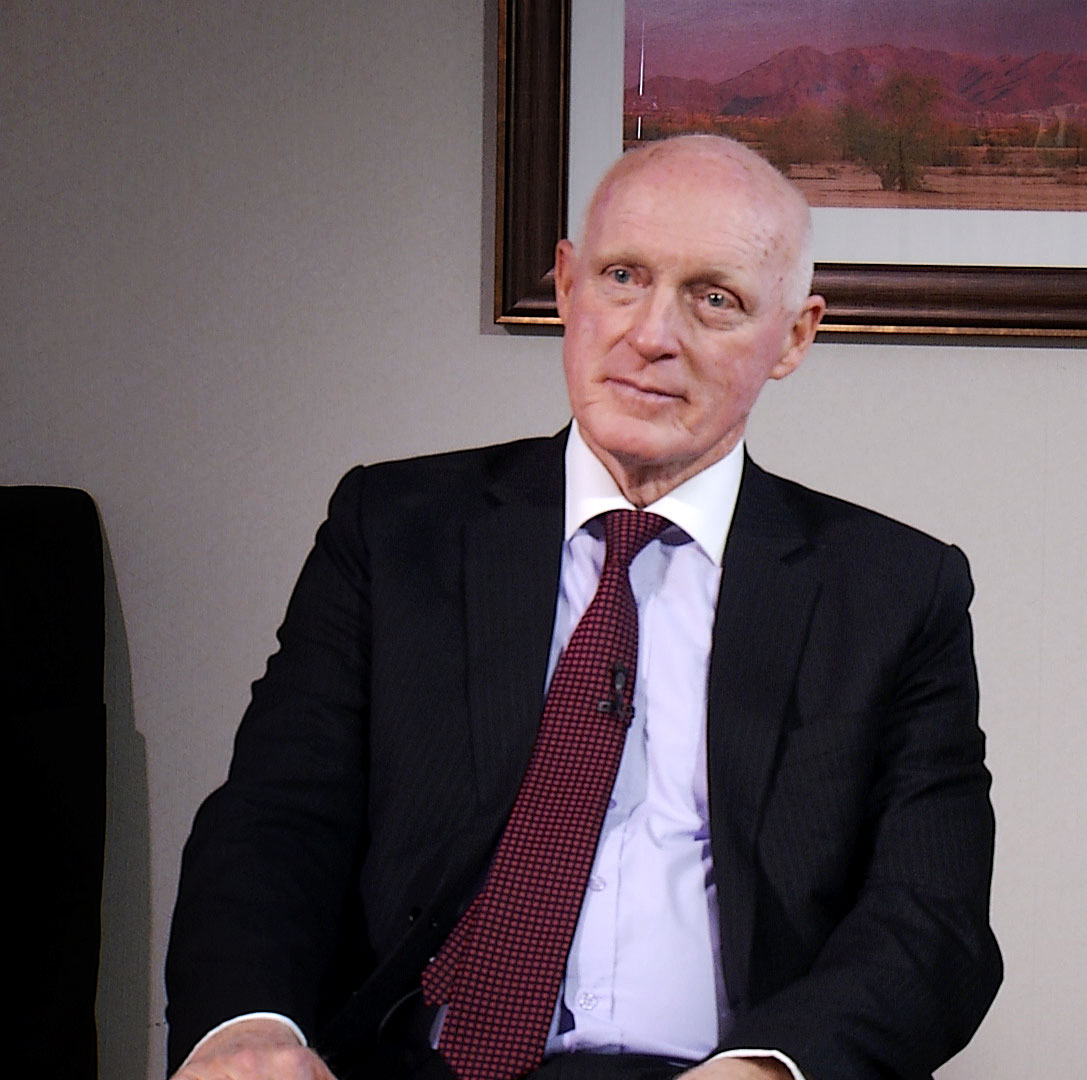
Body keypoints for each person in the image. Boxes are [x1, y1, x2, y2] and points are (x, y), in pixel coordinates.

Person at [165, 135, 1000, 1080]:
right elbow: (275, 818)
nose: (653, 334)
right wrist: (245, 1027)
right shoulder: (396, 533)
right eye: (623, 277)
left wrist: (774, 1067)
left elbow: (930, 918)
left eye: (714, 298)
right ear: (566, 285)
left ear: (795, 337)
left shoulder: (893, 590)